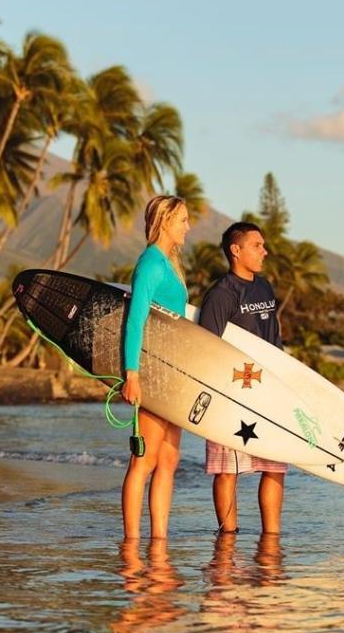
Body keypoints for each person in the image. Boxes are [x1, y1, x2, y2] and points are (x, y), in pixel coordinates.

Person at [198, 222, 288, 534]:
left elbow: (274, 339)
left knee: (274, 467)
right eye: (257, 245)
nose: (265, 251)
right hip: (232, 395)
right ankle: (227, 538)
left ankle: (271, 539)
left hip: (269, 392)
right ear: (236, 250)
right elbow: (207, 347)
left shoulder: (265, 287)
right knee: (227, 470)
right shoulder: (221, 294)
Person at [120, 194, 190, 540]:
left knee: (168, 462)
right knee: (143, 462)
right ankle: (132, 544)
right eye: (183, 220)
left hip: (171, 373)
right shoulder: (150, 263)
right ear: (165, 222)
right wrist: (132, 375)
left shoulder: (168, 264)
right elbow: (135, 320)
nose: (188, 227)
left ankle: (159, 541)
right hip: (153, 372)